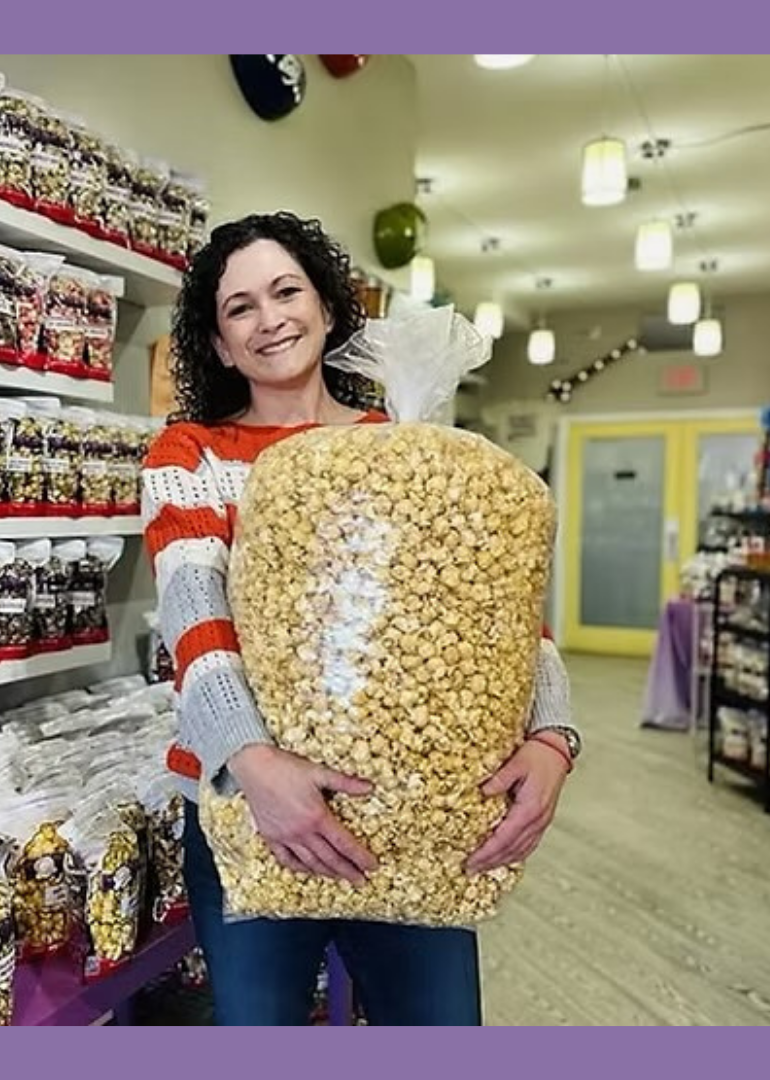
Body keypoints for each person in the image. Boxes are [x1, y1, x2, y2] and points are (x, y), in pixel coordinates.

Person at [142, 212, 579, 1026]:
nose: (269, 318)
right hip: (253, 812)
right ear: (221, 341)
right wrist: (253, 763)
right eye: (240, 308)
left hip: (412, 810)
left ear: (332, 310)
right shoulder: (191, 454)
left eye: (286, 291)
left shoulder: (411, 448)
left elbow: (501, 615)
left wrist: (553, 739)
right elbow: (191, 615)